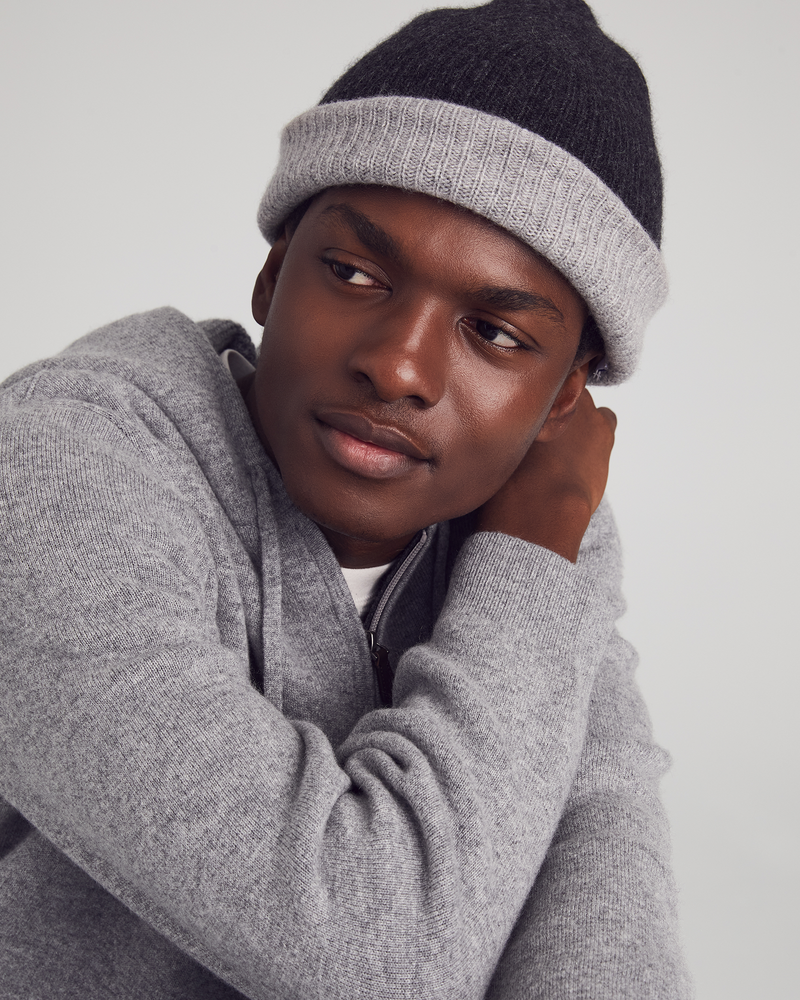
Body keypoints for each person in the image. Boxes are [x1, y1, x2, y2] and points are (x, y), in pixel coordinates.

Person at [0, 1, 692, 997]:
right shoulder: (62, 470)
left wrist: (537, 562)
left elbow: (598, 855)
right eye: (355, 273)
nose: (398, 366)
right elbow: (376, 960)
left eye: (497, 335)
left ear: (561, 401)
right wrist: (534, 563)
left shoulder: (529, 545)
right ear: (274, 274)